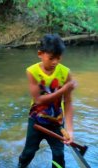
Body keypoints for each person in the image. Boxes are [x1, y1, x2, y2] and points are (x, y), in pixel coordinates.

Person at [18, 34, 77, 168]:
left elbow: (68, 102)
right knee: (29, 152)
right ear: (40, 54)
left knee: (59, 155)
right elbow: (38, 100)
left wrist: (70, 131)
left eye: (58, 58)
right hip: (36, 120)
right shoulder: (32, 71)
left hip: (56, 122)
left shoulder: (65, 73)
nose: (55, 62)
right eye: (51, 58)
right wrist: (63, 90)